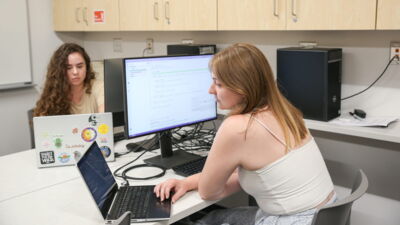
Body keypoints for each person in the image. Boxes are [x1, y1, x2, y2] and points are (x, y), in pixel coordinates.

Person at [154, 43, 336, 225]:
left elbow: (209, 192)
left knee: (205, 220)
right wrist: (188, 183)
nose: (211, 90)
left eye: (218, 83)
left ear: (242, 88)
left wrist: (198, 184)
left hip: (292, 220)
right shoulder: (285, 112)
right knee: (216, 217)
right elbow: (254, 176)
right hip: (326, 215)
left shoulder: (238, 127)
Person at [34, 43, 104, 116]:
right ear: (59, 71)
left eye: (80, 66)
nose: (75, 72)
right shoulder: (53, 92)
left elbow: (105, 119)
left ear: (87, 67)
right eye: (68, 68)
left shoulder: (99, 87)